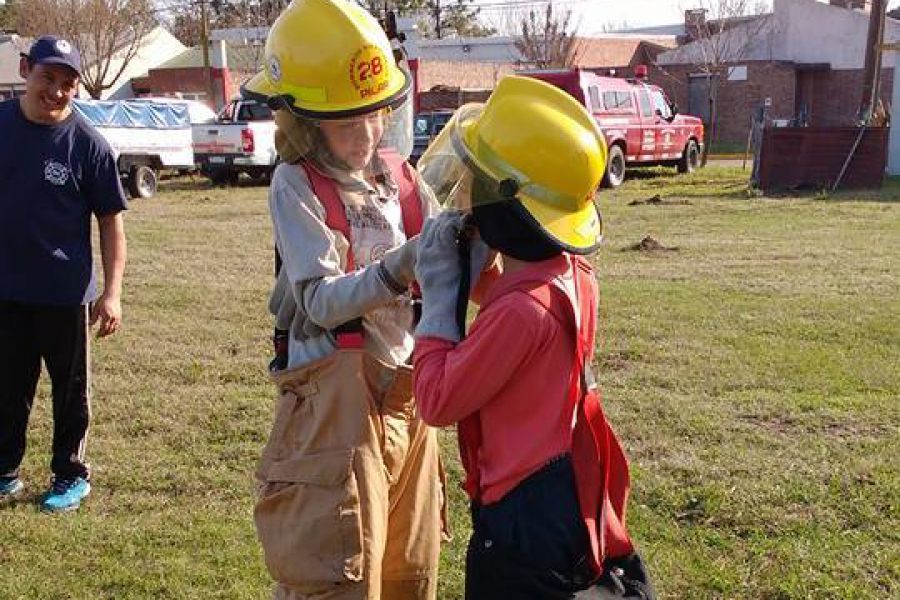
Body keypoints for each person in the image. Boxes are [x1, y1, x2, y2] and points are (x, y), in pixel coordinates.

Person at [412, 75, 657, 599]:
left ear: (507, 206)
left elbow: (435, 400)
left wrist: (438, 297)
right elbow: (515, 308)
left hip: (521, 512)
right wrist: (473, 271)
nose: (466, 196)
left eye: (475, 183)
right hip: (561, 485)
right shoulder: (572, 275)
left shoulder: (521, 314)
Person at [242, 1, 444, 598]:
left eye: (377, 115)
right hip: (334, 405)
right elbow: (321, 301)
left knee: (411, 566)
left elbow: (444, 250)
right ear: (304, 122)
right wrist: (401, 264)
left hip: (407, 396)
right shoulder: (296, 184)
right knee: (339, 569)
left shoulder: (400, 177)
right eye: (348, 122)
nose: (368, 134)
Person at [0, 36, 128, 512]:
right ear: (26, 69)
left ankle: (69, 474)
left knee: (69, 393)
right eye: (48, 78)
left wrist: (111, 293)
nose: (56, 91)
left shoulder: (89, 146)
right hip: (6, 289)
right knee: (8, 387)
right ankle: (5, 470)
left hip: (64, 294)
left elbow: (112, 225)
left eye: (68, 83)